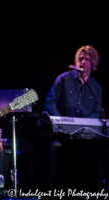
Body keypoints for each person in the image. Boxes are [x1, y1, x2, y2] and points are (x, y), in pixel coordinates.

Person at [45, 45, 103, 193]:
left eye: (87, 59)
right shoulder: (63, 78)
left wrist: (84, 127)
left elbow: (97, 111)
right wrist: (60, 122)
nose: (82, 62)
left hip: (83, 136)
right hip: (61, 134)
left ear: (93, 63)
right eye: (80, 59)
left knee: (84, 171)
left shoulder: (96, 87)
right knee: (56, 171)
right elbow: (50, 101)